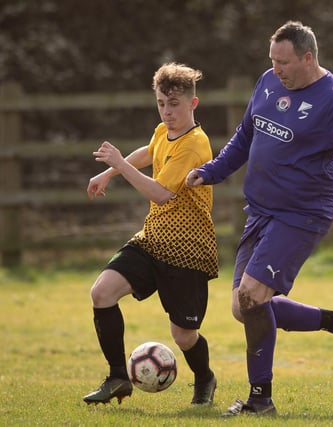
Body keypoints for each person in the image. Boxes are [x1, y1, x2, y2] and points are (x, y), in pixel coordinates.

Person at [186, 21, 333, 416]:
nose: (276, 69)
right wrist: (212, 170)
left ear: (308, 58)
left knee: (252, 296)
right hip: (259, 211)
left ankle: (260, 400)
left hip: (301, 214)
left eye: (284, 62)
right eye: (272, 61)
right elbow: (245, 136)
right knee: (243, 308)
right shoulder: (267, 81)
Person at [83, 63, 219, 405]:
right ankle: (118, 377)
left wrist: (119, 165)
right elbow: (150, 151)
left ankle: (205, 378)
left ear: (193, 103)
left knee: (184, 335)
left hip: (188, 250)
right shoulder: (164, 131)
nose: (167, 112)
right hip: (152, 239)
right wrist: (110, 174)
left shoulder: (194, 145)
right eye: (161, 103)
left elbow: (160, 193)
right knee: (102, 292)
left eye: (174, 104)